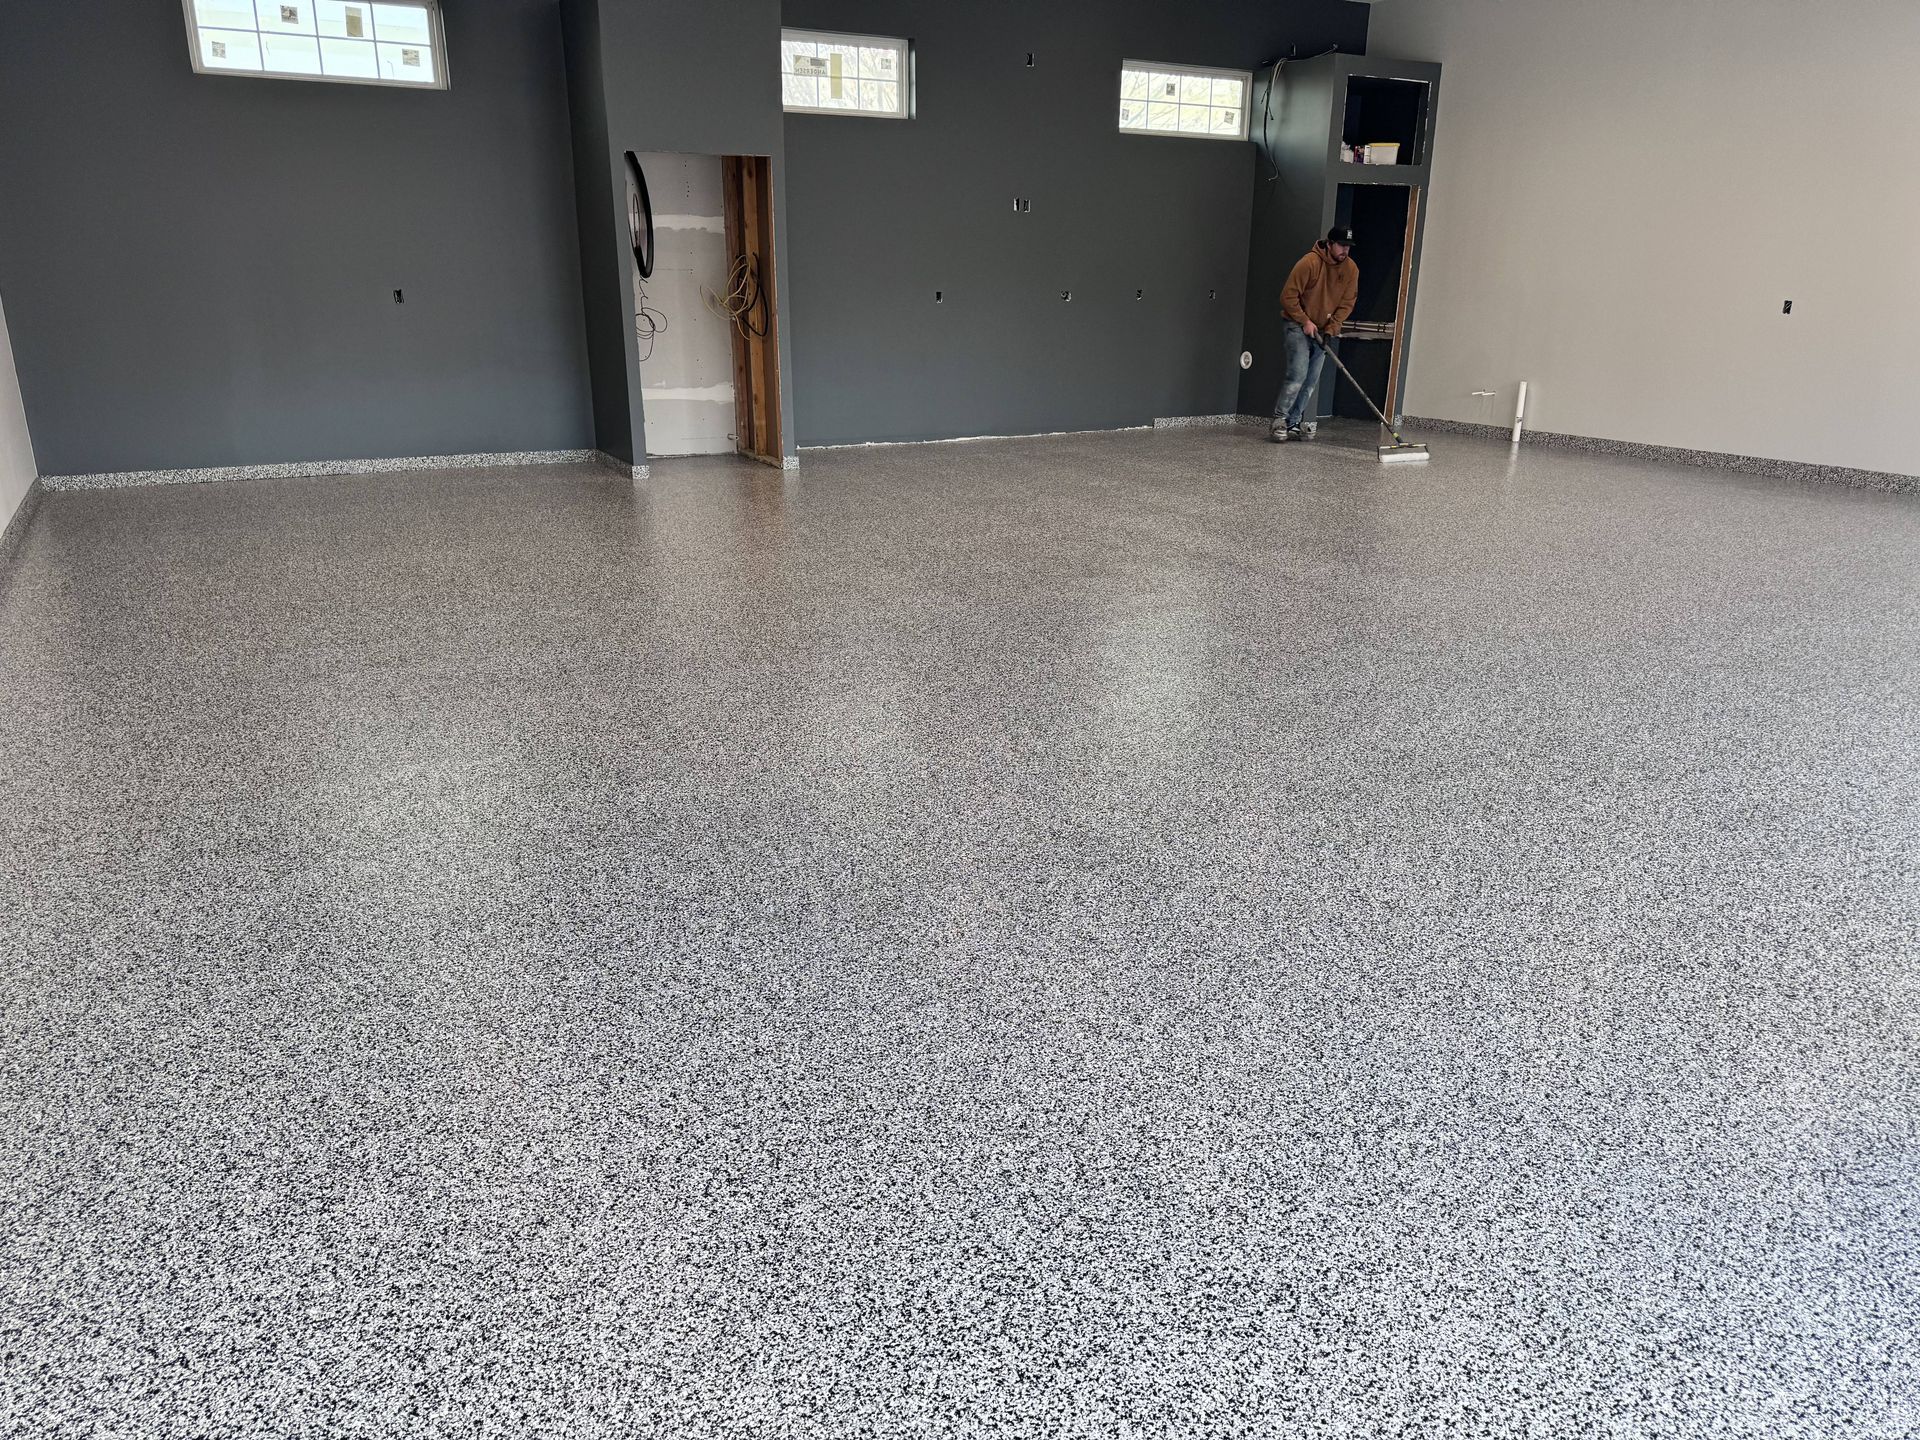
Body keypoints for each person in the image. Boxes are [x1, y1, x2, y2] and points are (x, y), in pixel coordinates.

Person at [1270, 226, 1359, 442]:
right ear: (1329, 244)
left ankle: (1293, 422)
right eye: (1341, 245)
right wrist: (1305, 321)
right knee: (1298, 374)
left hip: (1322, 329)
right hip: (1296, 324)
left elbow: (1347, 303)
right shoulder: (1309, 263)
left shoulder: (1351, 269)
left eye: (1348, 246)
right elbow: (1288, 297)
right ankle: (1279, 420)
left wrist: (1331, 329)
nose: (1345, 250)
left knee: (1311, 380)